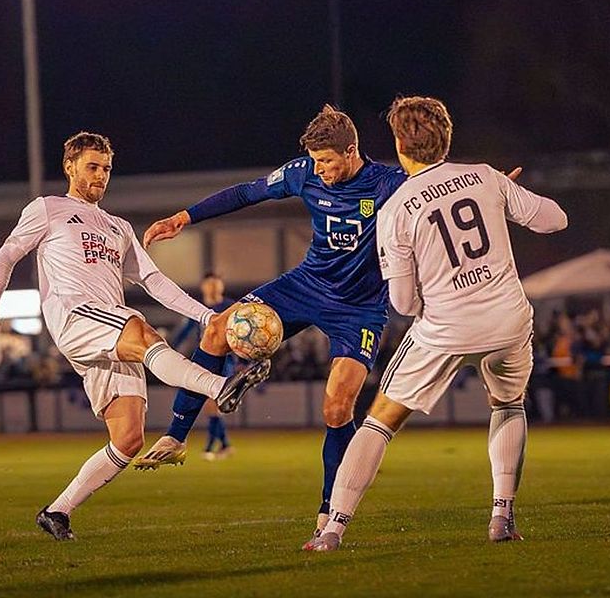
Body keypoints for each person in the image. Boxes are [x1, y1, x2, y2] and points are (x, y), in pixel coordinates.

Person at [0, 131, 271, 541]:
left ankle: (57, 512)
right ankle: (220, 386)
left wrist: (206, 316)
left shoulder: (118, 226)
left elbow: (153, 281)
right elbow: (6, 256)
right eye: (92, 167)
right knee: (141, 329)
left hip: (106, 332)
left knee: (128, 439)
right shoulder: (48, 209)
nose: (101, 175)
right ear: (69, 167)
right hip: (77, 317)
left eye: (107, 168)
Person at [133, 106, 408, 547]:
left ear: (352, 151)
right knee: (217, 329)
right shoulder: (304, 174)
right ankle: (176, 436)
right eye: (316, 162)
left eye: (327, 162)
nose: (320, 170)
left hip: (359, 307)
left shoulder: (389, 182)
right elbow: (247, 193)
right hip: (307, 284)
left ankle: (329, 510)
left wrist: (491, 189)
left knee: (338, 406)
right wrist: (183, 218)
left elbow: (438, 188)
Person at [309, 96, 567, 551]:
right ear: (446, 137)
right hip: (508, 320)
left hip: (446, 328)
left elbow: (405, 303)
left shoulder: (395, 209)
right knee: (507, 405)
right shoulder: (486, 178)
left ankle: (333, 529)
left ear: (398, 144)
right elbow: (555, 220)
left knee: (379, 422)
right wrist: (502, 198)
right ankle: (501, 514)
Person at [158, 272, 238, 462]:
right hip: (204, 358)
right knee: (211, 406)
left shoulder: (228, 306)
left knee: (212, 404)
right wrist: (168, 349)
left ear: (221, 286)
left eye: (216, 283)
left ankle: (213, 446)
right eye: (209, 284)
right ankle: (224, 445)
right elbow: (185, 332)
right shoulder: (198, 310)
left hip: (225, 359)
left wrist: (242, 361)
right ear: (203, 287)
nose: (212, 287)